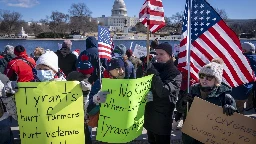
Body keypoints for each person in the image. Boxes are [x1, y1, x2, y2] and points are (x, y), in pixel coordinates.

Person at [177, 58, 237, 144]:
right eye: (202, 76)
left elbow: (235, 121)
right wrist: (184, 101)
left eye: (209, 78)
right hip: (191, 135)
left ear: (216, 80)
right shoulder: (191, 90)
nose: (204, 79)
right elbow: (179, 109)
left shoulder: (224, 96)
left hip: (211, 137)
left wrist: (230, 109)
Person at [144, 43, 182, 144]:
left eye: (161, 54)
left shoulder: (175, 74)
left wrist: (154, 74)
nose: (158, 57)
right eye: (157, 54)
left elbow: (163, 91)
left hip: (162, 120)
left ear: (170, 55)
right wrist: (143, 68)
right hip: (150, 115)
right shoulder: (155, 67)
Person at [67, 54, 93, 144]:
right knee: (87, 134)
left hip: (72, 111)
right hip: (85, 113)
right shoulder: (88, 82)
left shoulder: (71, 76)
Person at [231, 42, 256, 113]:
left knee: (238, 109)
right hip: (250, 88)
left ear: (244, 50)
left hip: (239, 91)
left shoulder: (240, 60)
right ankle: (249, 108)